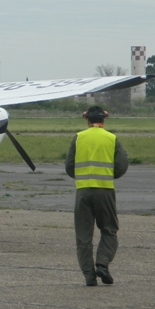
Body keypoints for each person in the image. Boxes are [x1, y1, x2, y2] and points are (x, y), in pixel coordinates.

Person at [65, 105, 129, 286]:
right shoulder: (112, 138)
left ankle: (89, 276)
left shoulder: (78, 138)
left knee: (83, 236)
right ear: (104, 119)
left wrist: (83, 176)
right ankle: (102, 263)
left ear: (86, 118)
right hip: (105, 190)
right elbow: (122, 166)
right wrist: (108, 174)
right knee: (109, 230)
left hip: (83, 191)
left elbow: (69, 166)